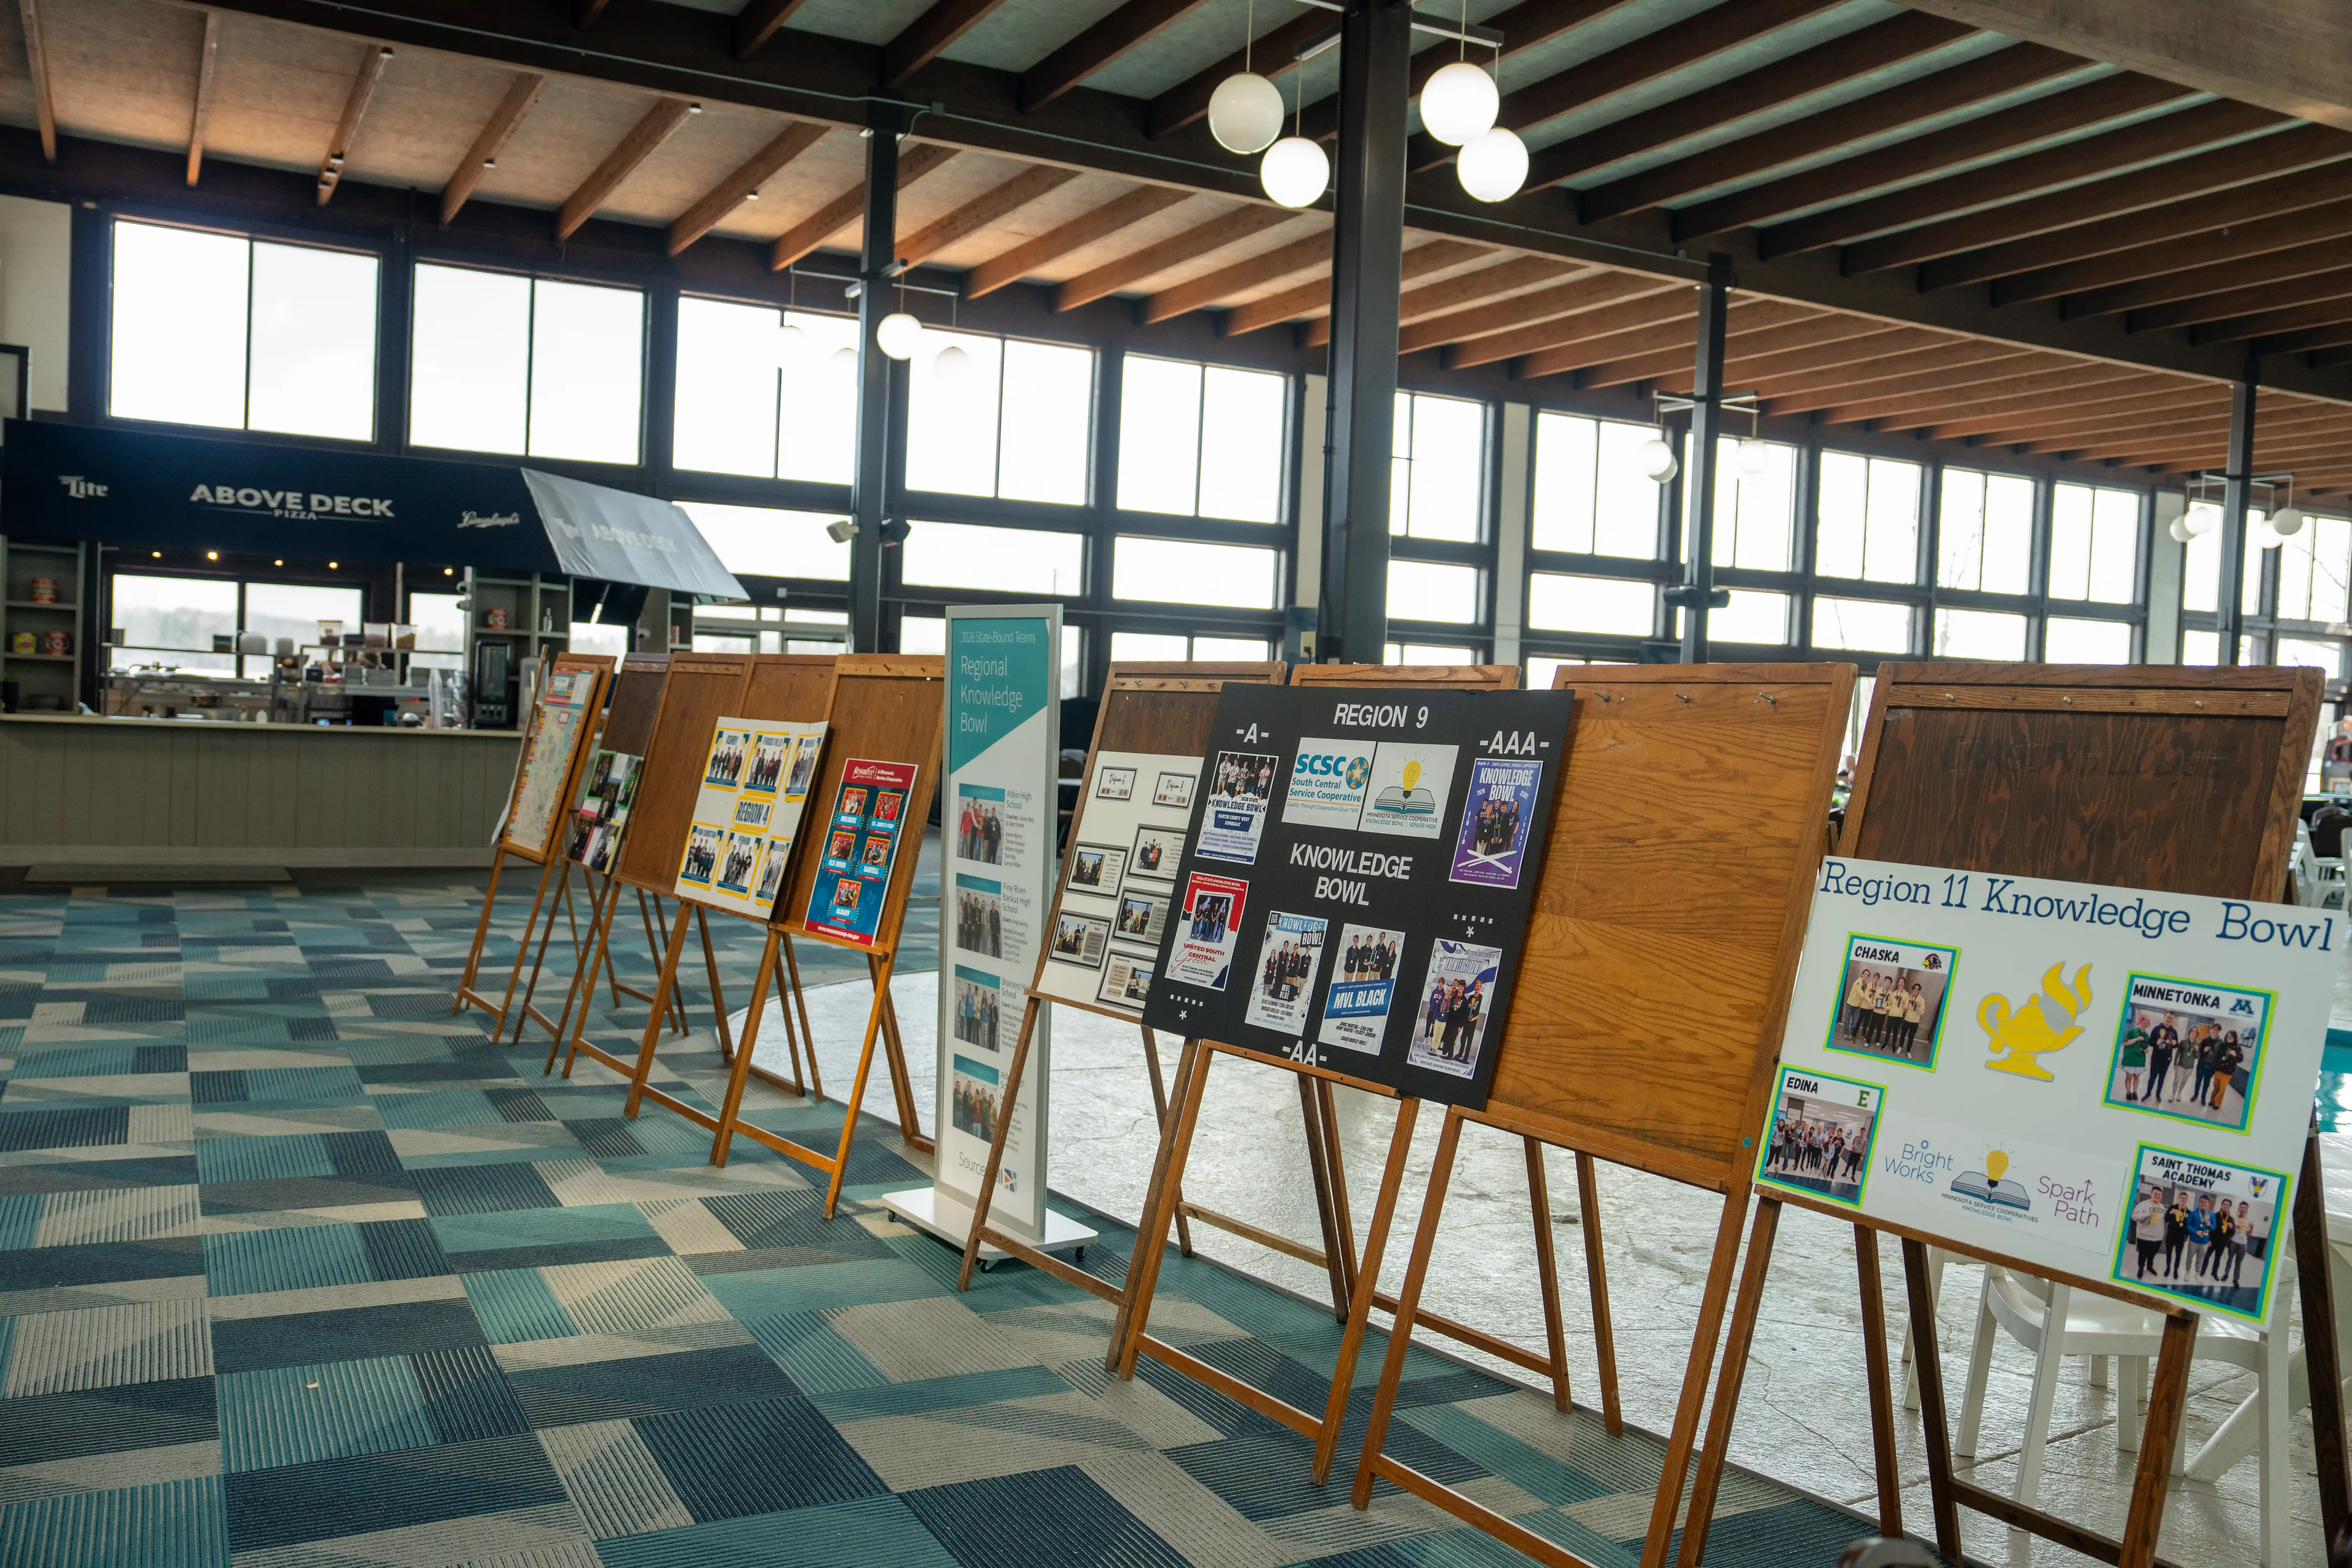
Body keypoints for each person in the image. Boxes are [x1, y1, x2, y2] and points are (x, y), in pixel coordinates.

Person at [2130, 1186, 2164, 1281]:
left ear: (2161, 1197)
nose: (2157, 1196)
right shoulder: (2143, 1205)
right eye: (2156, 1194)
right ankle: (2141, 1269)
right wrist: (2146, 1215)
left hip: (2157, 1238)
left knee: (2152, 1256)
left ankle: (2150, 1267)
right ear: (2151, 1194)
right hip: (2144, 1237)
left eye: (2159, 1195)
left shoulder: (2162, 1207)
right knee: (2142, 1255)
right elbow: (2134, 1216)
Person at [2147, 1013, 2179, 1102]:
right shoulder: (2157, 1029)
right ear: (2164, 1017)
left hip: (2167, 1059)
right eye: (2168, 1018)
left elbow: (2177, 1045)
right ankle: (2148, 1093)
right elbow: (2151, 1042)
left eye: (2171, 1019)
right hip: (2156, 1058)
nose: (2169, 1020)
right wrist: (2156, 1043)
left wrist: (2174, 1044)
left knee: (2162, 1078)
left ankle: (2158, 1094)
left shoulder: (2174, 1032)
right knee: (2153, 1077)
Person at [2210, 1031, 2244, 1114]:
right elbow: (2217, 1056)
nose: (2229, 1038)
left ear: (2235, 1038)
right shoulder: (2223, 1046)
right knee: (2216, 1087)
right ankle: (2212, 1101)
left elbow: (2240, 1060)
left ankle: (2217, 1104)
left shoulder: (2238, 1048)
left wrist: (2235, 1055)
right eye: (2228, 1036)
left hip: (2228, 1073)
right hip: (2219, 1070)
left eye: (2231, 1037)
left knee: (2222, 1089)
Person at [2184, 1193, 2216, 1278]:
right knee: (2190, 1258)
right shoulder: (2194, 1213)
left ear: (2209, 1204)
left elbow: (2214, 1227)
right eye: (2202, 1202)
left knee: (2200, 1259)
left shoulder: (2212, 1215)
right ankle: (2188, 1272)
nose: (2204, 1204)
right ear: (2199, 1202)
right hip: (2194, 1241)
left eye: (2206, 1202)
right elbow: (2188, 1225)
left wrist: (2210, 1225)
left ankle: (2197, 1274)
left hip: (2204, 1242)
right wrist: (2196, 1232)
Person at [2118, 1014, 2148, 1102]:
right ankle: (2129, 1093)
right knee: (2129, 1077)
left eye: (2147, 1023)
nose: (2146, 1024)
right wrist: (2137, 1039)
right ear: (2141, 1021)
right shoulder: (2132, 1031)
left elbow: (2146, 1047)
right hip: (2130, 1058)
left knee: (2137, 1077)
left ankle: (2135, 1092)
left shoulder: (2147, 1036)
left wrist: (2147, 1050)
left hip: (2140, 1059)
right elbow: (2126, 1043)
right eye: (2145, 1022)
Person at [2162, 1189, 2190, 1278]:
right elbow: (2166, 1219)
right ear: (2179, 1199)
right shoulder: (2173, 1208)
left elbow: (2189, 1225)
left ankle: (2176, 1271)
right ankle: (2168, 1268)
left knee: (2179, 1255)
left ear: (2187, 1200)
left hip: (2181, 1238)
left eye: (2186, 1199)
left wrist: (2187, 1236)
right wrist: (2170, 1213)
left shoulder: (2189, 1212)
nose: (2184, 1200)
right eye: (2182, 1198)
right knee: (2169, 1253)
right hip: (2171, 1235)